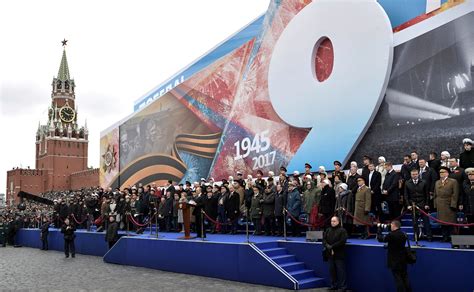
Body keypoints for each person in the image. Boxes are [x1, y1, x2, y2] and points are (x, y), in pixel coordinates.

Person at [377, 220, 412, 292]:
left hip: (394, 261)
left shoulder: (391, 235)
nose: (390, 226)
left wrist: (379, 229)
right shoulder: (404, 234)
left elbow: (380, 239)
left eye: (391, 225)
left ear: (394, 225)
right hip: (403, 259)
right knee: (405, 277)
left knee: (398, 279)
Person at [404, 168, 432, 241]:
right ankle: (416, 237)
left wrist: (427, 204)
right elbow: (406, 196)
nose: (414, 175)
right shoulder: (407, 183)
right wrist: (408, 205)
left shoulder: (424, 182)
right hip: (413, 205)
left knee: (426, 223)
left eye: (416, 174)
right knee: (414, 223)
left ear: (418, 174)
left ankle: (429, 237)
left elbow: (427, 195)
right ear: (411, 175)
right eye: (413, 174)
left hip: (423, 205)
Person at [434, 166, 459, 242]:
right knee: (442, 223)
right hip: (440, 204)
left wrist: (453, 205)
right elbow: (435, 194)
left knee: (451, 223)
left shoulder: (453, 181)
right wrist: (435, 204)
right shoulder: (437, 182)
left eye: (443, 172)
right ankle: (445, 237)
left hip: (449, 204)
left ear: (447, 173)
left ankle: (453, 239)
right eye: (440, 172)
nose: (441, 174)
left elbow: (455, 194)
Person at [323, 216, 348, 291]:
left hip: (339, 254)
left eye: (334, 221)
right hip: (330, 254)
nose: (332, 223)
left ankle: (343, 287)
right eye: (331, 221)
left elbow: (342, 241)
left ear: (338, 222)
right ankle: (333, 285)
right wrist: (328, 246)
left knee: (341, 271)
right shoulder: (328, 230)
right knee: (332, 270)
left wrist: (332, 246)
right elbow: (324, 240)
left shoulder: (342, 230)